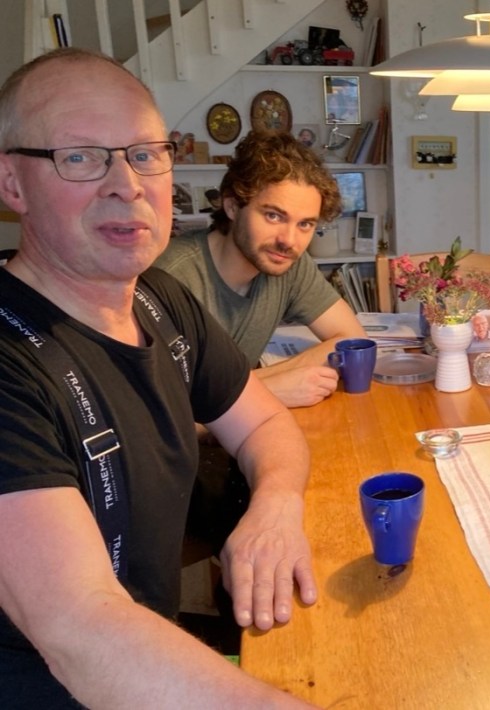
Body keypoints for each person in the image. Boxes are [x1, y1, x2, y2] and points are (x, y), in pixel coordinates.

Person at [0, 48, 316, 706]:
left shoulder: (159, 300)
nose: (128, 184)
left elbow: (263, 419)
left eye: (145, 154)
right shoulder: (9, 361)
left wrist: (275, 507)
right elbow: (81, 631)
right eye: (80, 157)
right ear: (11, 183)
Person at [156, 130, 366, 408]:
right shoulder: (169, 280)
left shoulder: (289, 264)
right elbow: (150, 417)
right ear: (232, 206)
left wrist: (265, 383)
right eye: (273, 216)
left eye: (305, 224)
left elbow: (353, 340)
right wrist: (268, 391)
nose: (289, 241)